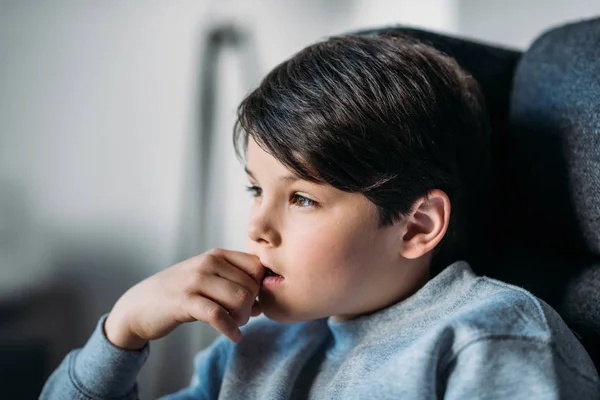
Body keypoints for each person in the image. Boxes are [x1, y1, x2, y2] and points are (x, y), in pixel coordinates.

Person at [41, 33, 600, 399]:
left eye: (302, 198)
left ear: (417, 225)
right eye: (255, 188)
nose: (256, 227)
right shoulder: (247, 351)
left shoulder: (487, 335)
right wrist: (123, 331)